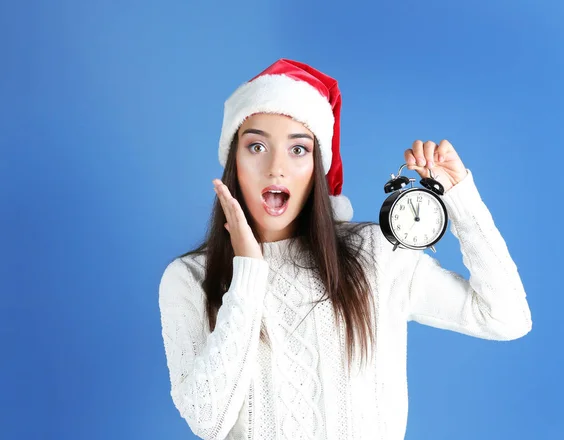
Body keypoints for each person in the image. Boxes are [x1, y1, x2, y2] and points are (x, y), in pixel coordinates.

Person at [158, 58, 532, 440]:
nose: (276, 168)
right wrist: (248, 274)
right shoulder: (189, 279)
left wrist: (459, 197)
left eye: (298, 150)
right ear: (233, 162)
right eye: (256, 146)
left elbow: (505, 318)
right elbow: (208, 421)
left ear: (319, 168)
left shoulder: (376, 256)